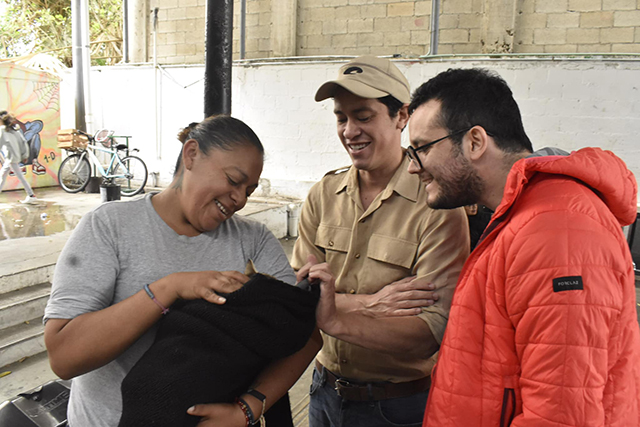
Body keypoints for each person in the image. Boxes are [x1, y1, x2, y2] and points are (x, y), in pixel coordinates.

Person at [44, 115, 322, 427]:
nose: (240, 199)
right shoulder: (109, 227)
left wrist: (247, 409)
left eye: (250, 189)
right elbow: (64, 357)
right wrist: (168, 289)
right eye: (233, 180)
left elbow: (305, 336)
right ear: (191, 155)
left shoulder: (253, 241)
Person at [406, 68, 640, 426]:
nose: (413, 168)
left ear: (474, 141)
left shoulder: (558, 232)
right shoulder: (526, 217)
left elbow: (561, 416)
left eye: (421, 148)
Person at [292, 56, 470, 427]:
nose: (349, 130)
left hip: (398, 407)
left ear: (401, 116)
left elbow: (429, 333)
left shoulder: (437, 206)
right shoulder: (323, 195)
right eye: (341, 117)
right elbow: (294, 300)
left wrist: (335, 316)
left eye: (364, 116)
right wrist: (370, 303)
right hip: (324, 392)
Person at [0, 111, 38, 204]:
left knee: (19, 176)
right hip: (14, 157)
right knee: (3, 175)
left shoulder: (2, 130)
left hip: (11, 157)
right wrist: (25, 155)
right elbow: (23, 142)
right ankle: (31, 195)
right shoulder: (14, 130)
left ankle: (31, 195)